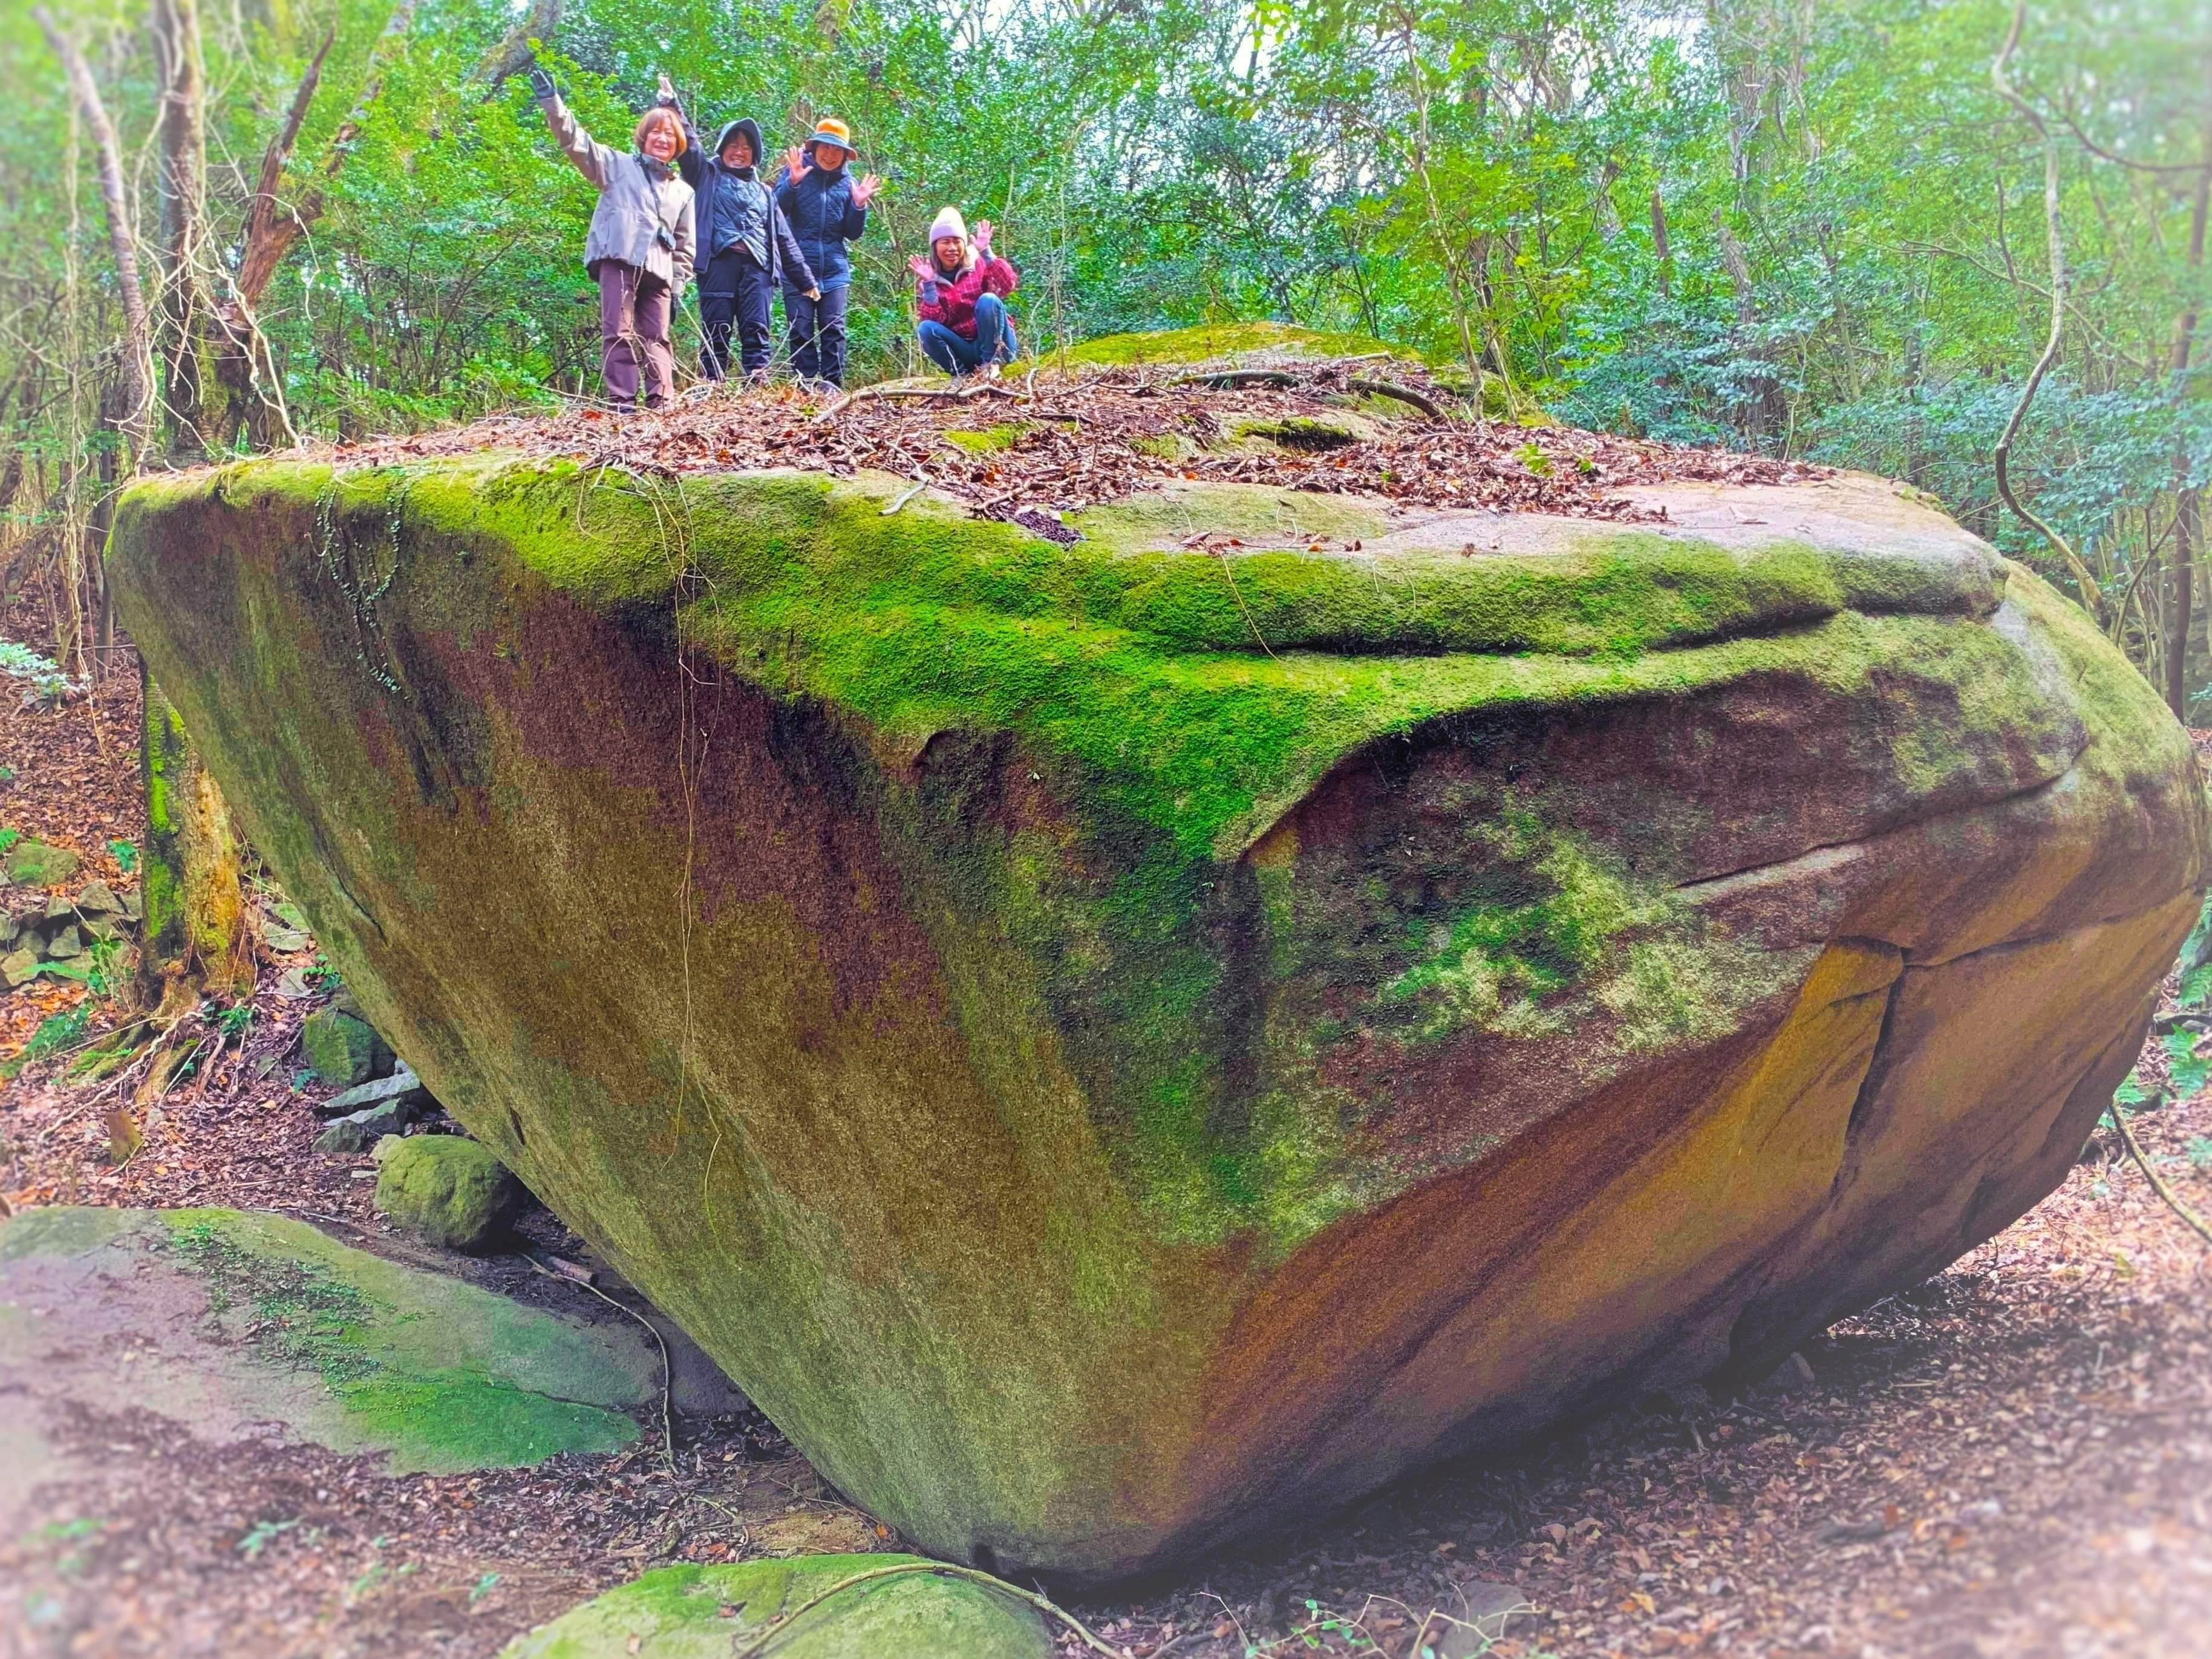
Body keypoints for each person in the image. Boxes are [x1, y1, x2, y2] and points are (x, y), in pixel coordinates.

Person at [530, 67, 695, 411]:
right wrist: (552, 103)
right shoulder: (617, 165)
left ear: (678, 144)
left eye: (669, 134)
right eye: (655, 132)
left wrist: (678, 286)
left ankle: (661, 402)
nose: (662, 139)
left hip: (660, 270)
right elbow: (577, 143)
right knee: (618, 330)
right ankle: (622, 402)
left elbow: (685, 246)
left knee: (658, 337)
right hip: (619, 256)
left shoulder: (683, 191)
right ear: (644, 137)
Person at [657, 86, 821, 382]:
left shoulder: (765, 193)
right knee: (717, 329)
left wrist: (806, 281)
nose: (739, 151)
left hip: (758, 268)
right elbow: (691, 147)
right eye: (733, 145)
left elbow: (784, 240)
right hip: (718, 263)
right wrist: (673, 105)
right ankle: (711, 386)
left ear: (754, 155)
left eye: (746, 147)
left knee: (757, 329)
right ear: (722, 149)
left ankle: (757, 386)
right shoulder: (705, 175)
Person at [773, 119, 880, 388]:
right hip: (798, 267)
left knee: (834, 330)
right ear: (816, 147)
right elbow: (776, 212)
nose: (830, 155)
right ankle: (806, 387)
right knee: (801, 329)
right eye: (826, 148)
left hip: (834, 269)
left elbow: (852, 233)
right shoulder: (795, 172)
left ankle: (833, 388)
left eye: (837, 150)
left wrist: (858, 205)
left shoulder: (848, 183)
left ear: (845, 155)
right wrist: (793, 183)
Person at [911, 208, 1019, 377]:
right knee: (925, 328)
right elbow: (934, 324)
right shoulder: (930, 280)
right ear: (935, 247)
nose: (952, 248)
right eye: (945, 242)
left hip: (997, 344)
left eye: (957, 241)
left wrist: (987, 253)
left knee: (988, 300)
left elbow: (1007, 286)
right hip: (966, 350)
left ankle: (991, 364)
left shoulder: (978, 263)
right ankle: (960, 375)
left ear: (963, 243)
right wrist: (930, 285)